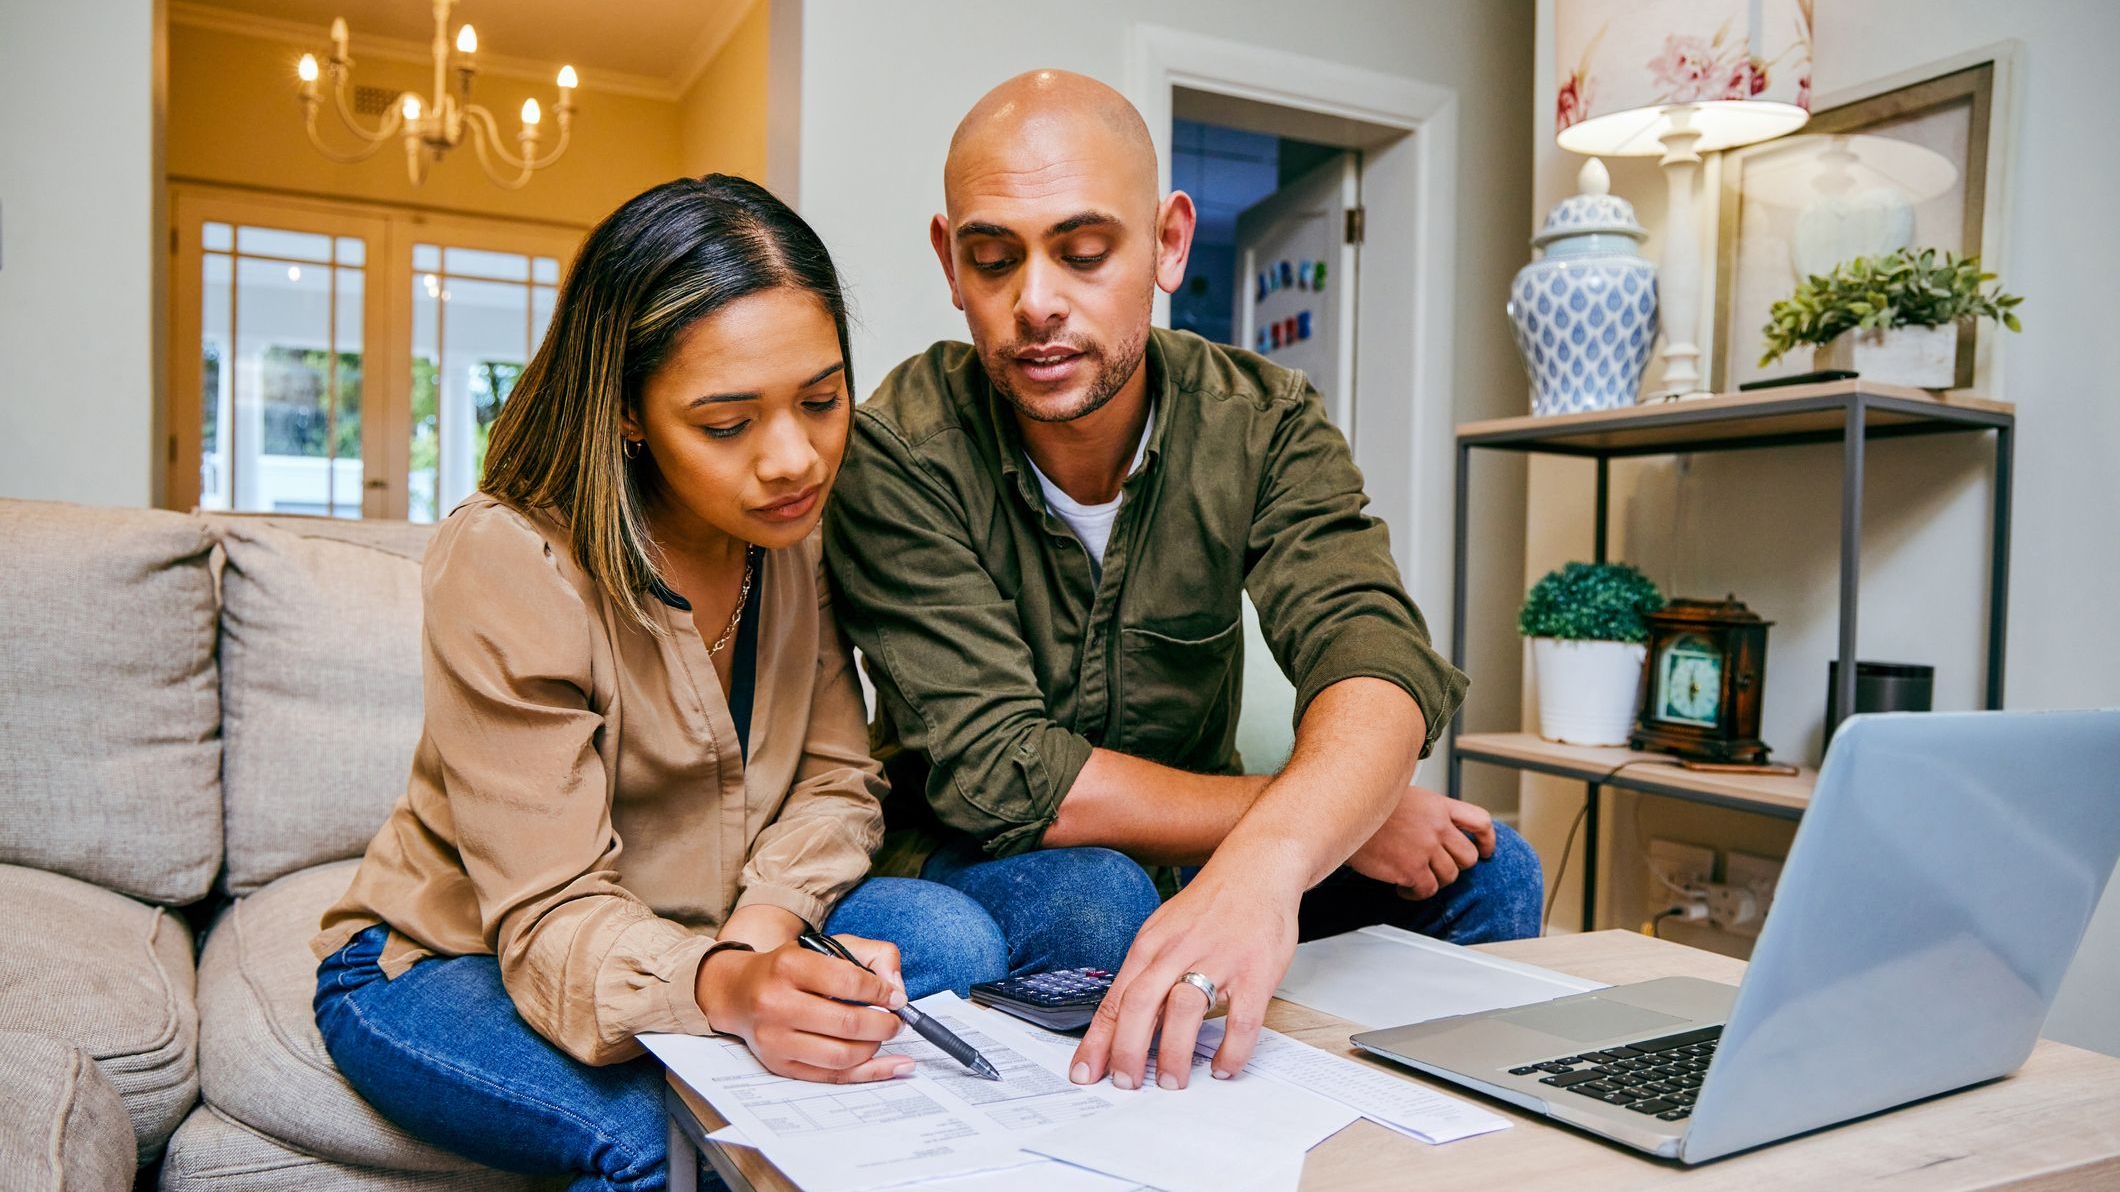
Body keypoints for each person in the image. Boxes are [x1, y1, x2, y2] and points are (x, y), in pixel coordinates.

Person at [311, 175, 1155, 1192]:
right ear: (628, 411)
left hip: (716, 927)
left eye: (822, 400)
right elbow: (550, 917)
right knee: (669, 1141)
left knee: (1013, 922)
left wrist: (758, 943)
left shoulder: (789, 534)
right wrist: (729, 987)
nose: (794, 460)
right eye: (725, 424)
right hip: (460, 956)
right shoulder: (508, 561)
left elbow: (837, 779)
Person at [822, 72, 1544, 1097]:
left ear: (1168, 244)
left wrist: (1275, 859)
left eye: (1083, 252)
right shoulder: (897, 450)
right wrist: (1309, 822)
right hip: (978, 850)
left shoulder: (1264, 421)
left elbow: (1372, 653)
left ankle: (1392, 1139)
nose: (1036, 302)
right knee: (1100, 902)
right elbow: (1012, 775)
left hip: (1201, 854)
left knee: (1490, 868)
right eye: (993, 259)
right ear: (951, 263)